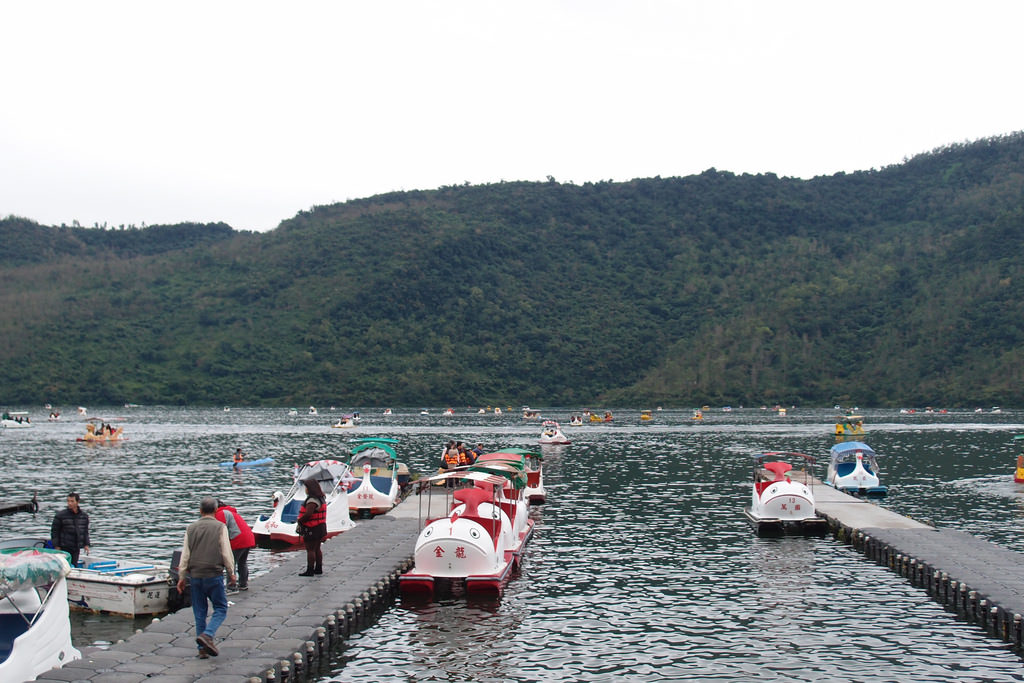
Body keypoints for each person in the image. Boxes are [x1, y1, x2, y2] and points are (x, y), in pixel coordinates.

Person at [176, 497, 235, 659]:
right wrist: (231, 572)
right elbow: (225, 552)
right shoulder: (220, 527)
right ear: (216, 511)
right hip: (213, 574)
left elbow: (185, 556)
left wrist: (181, 577)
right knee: (221, 608)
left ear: (200, 510)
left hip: (195, 576)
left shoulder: (191, 528)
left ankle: (201, 649)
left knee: (200, 612)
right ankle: (208, 635)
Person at [215, 499, 255, 592]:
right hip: (248, 538)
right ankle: (243, 584)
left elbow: (221, 529)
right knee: (242, 562)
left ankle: (231, 586)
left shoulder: (221, 513)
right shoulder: (231, 512)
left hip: (237, 539)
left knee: (231, 562)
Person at [296, 478, 327, 577]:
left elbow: (308, 514)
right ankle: (318, 569)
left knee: (310, 549)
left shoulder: (312, 500)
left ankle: (310, 570)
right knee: (317, 548)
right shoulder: (321, 498)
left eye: (306, 488)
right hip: (320, 527)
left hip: (312, 528)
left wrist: (300, 521)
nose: (305, 490)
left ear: (310, 489)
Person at [51, 492, 90, 567]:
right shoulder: (60, 515)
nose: (69, 503)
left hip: (76, 546)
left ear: (77, 502)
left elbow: (85, 531)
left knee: (74, 565)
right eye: (68, 501)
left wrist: (86, 544)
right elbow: (55, 532)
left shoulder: (84, 516)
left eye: (72, 501)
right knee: (64, 566)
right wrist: (57, 546)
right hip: (64, 546)